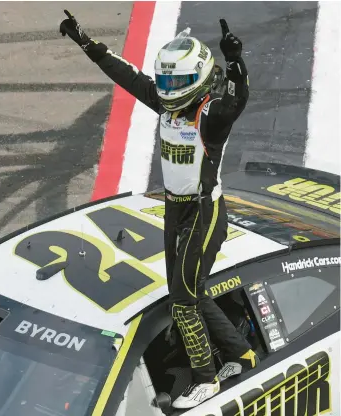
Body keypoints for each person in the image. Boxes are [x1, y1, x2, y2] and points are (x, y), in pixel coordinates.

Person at [60, 10, 259, 409]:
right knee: (189, 292)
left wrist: (236, 61)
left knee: (182, 300)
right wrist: (86, 44)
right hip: (175, 211)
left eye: (177, 82)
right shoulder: (166, 106)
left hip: (202, 214)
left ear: (199, 80)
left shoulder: (211, 116)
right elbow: (128, 75)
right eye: (165, 81)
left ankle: (205, 380)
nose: (168, 88)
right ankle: (242, 355)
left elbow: (238, 99)